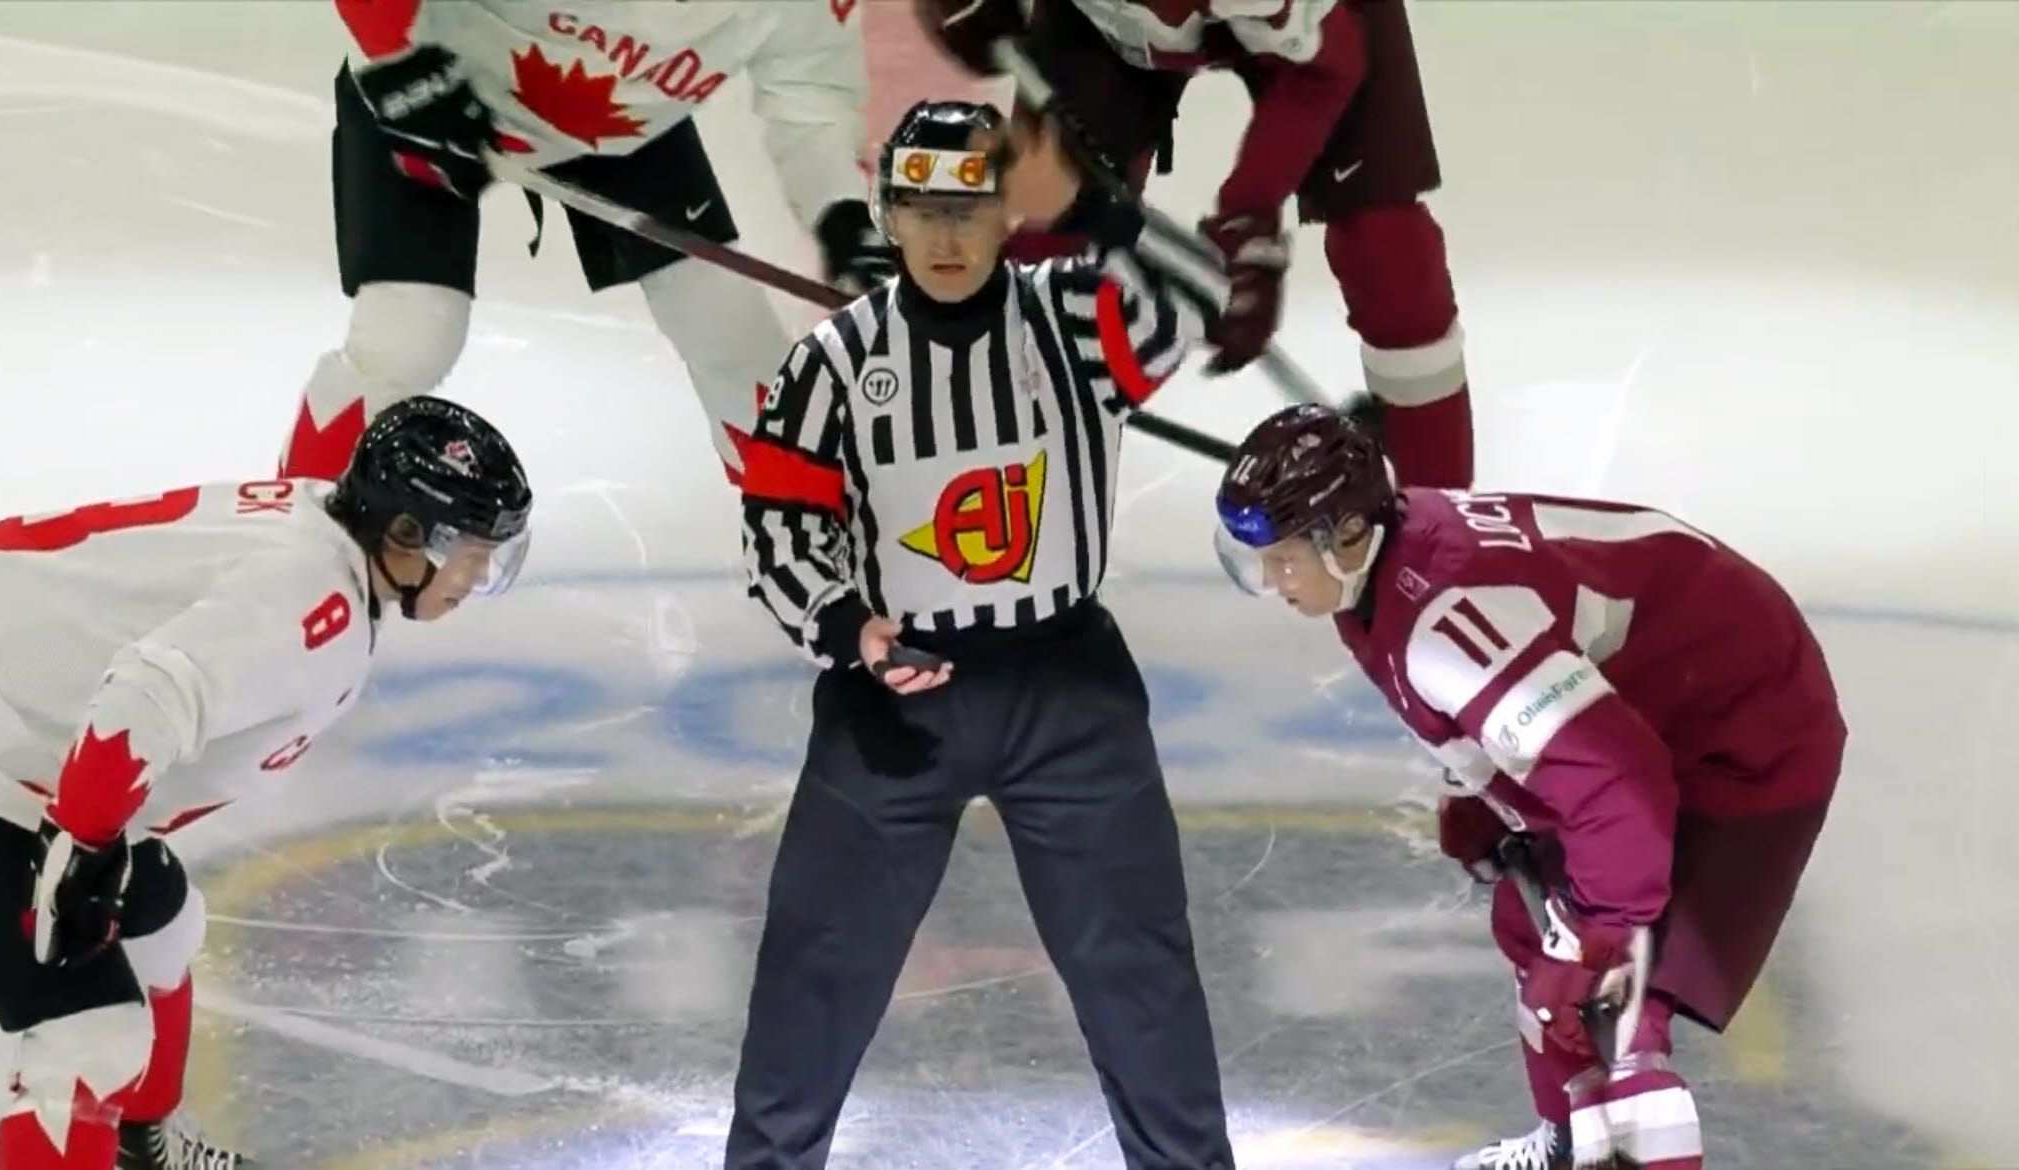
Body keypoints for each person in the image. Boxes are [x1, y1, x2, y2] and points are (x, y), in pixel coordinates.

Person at [725, 98, 1238, 1169]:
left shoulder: (1069, 319)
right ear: (888, 217)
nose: (946, 236)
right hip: (894, 694)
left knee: (1138, 974)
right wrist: (846, 629)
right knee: (812, 975)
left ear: (1009, 214)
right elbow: (778, 534)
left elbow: (1197, 291)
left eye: (970, 207)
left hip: (1068, 687)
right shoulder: (828, 366)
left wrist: (1096, 205)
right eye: (920, 208)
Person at [1209, 403, 1845, 1170]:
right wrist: (1482, 793)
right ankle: (1570, 1145)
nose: (1272, 580)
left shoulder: (1445, 618)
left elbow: (1623, 794)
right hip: (1671, 699)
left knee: (1615, 989)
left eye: (1282, 557)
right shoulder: (1387, 561)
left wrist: (1592, 944)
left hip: (1746, 730)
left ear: (1345, 535)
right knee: (1536, 926)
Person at [0, 398, 532, 1170]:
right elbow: (144, 699)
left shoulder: (326, 541)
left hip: (15, 737)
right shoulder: (312, 602)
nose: (479, 574)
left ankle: (144, 1152)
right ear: (405, 535)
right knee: (88, 1038)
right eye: (471, 551)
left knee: (162, 927)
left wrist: (92, 841)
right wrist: (81, 848)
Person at [284, 0, 891, 484]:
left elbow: (810, 100)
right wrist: (405, 65)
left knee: (730, 330)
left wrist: (840, 215)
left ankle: (804, 534)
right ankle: (299, 532)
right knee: (410, 340)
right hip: (440, 82)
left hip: (624, 119)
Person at [920, 0, 1476, 491]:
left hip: (1322, 30)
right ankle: (998, 479)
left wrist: (1248, 216)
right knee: (1046, 230)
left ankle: (1440, 514)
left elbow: (1326, 67)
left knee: (1387, 247)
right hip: (1099, 23)